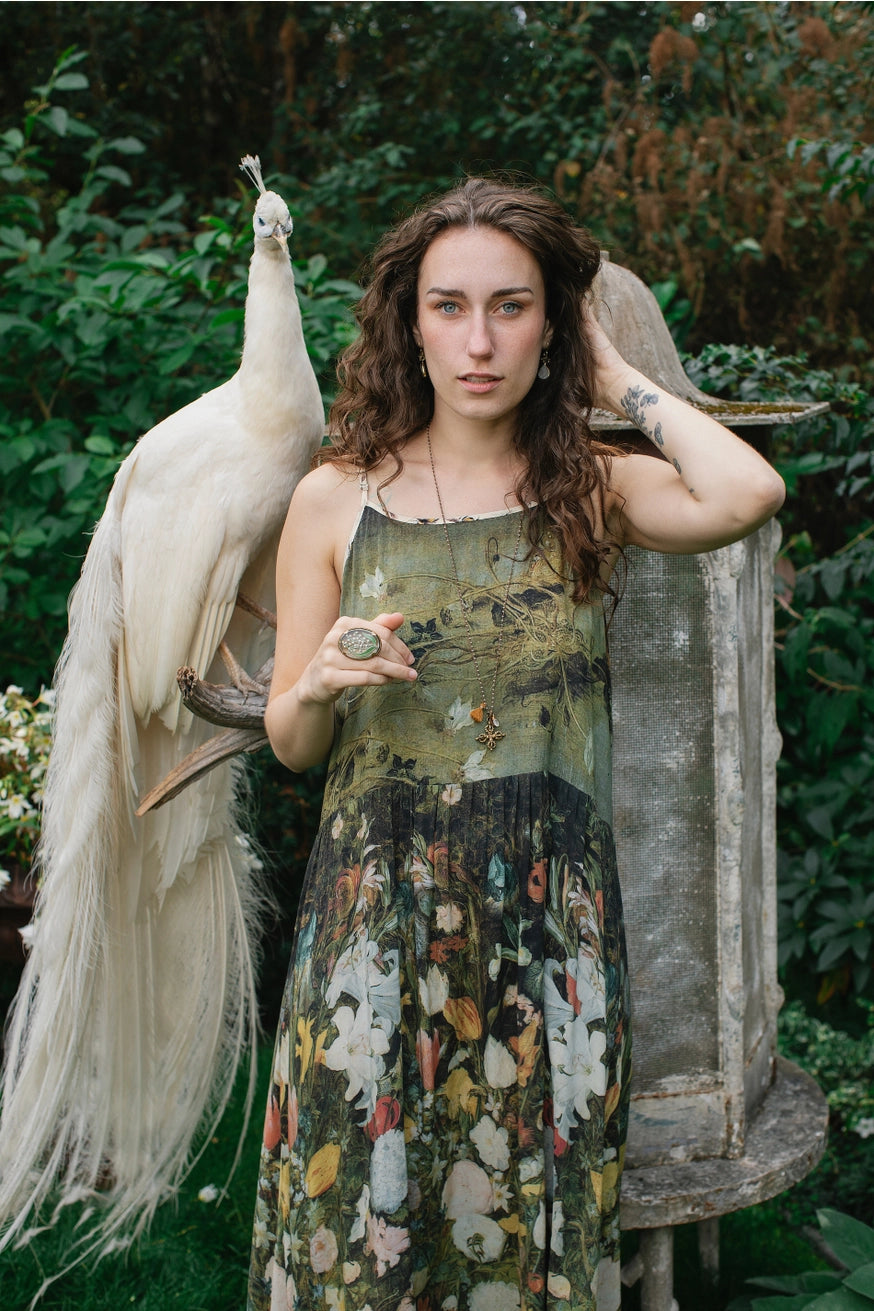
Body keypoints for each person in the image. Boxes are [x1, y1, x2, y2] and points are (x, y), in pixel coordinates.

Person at [247, 177, 785, 1311]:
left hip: (549, 932)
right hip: (374, 933)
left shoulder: (588, 487)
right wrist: (318, 681)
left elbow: (748, 488)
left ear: (552, 324)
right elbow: (292, 745)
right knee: (364, 1229)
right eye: (448, 306)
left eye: (512, 306)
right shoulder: (334, 501)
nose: (478, 340)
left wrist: (613, 373)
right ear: (409, 322)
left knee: (533, 1239)